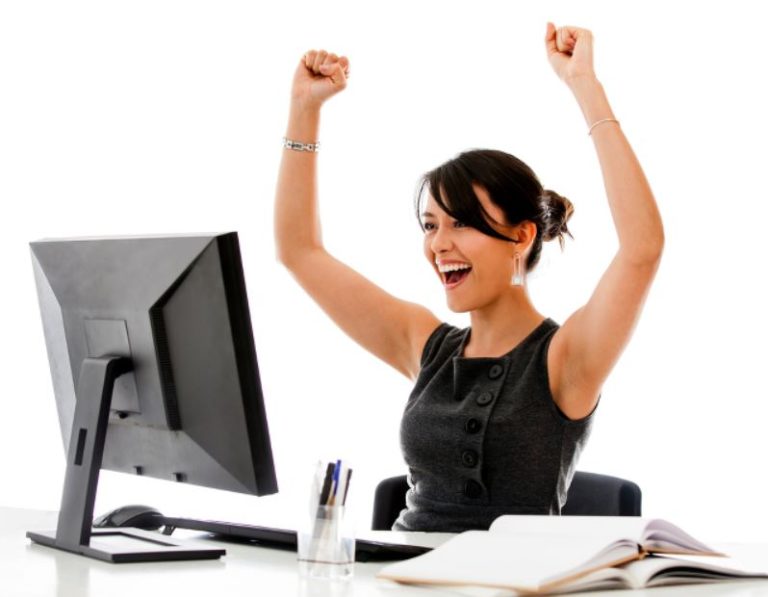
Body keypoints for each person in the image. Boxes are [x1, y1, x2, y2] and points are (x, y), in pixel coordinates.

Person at [274, 23, 664, 532]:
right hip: (399, 567)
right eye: (430, 225)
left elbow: (642, 249)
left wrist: (584, 85)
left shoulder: (566, 358)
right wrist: (304, 110)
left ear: (521, 236)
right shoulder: (426, 345)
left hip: (507, 573)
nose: (439, 244)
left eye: (461, 223)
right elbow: (299, 251)